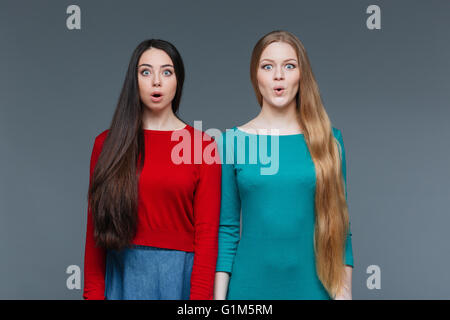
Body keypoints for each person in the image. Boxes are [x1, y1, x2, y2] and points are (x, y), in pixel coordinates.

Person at [214, 30, 354, 300]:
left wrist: (344, 294)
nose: (279, 75)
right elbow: (227, 229)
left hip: (315, 289)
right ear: (256, 75)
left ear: (302, 75)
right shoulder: (231, 142)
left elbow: (340, 227)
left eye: (289, 66)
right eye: (268, 66)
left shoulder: (330, 140)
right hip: (248, 292)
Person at [83, 39, 221, 300]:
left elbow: (207, 236)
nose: (156, 81)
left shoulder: (202, 146)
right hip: (122, 276)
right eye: (146, 72)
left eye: (166, 72)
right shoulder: (106, 144)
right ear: (134, 81)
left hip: (179, 278)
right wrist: (92, 296)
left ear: (177, 80)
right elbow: (94, 235)